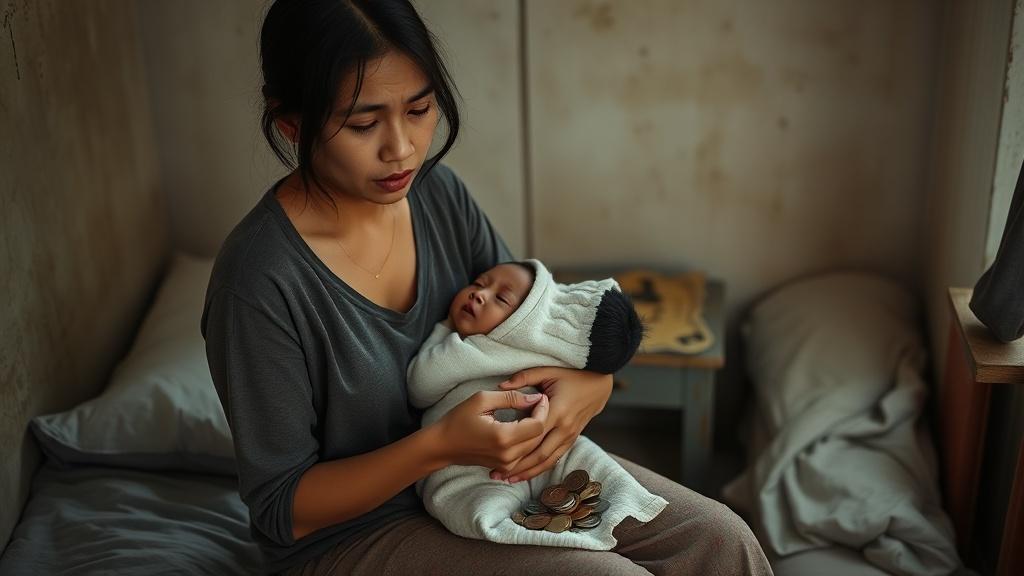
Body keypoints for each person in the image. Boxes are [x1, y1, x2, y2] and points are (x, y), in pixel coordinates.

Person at [201, 1, 774, 574]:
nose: (401, 147)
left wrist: (593, 382)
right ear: (292, 125)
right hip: (350, 535)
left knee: (721, 539)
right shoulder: (258, 281)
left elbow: (529, 320)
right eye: (362, 123)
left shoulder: (437, 194)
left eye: (420, 109)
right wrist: (439, 446)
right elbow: (282, 509)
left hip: (497, 476)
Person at [408, 259, 668, 549]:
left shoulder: (471, 349)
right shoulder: (536, 351)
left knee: (572, 452)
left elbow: (422, 381)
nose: (478, 294)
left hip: (535, 445)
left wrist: (445, 329)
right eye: (479, 283)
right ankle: (603, 512)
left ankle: (559, 523)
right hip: (471, 459)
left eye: (501, 298)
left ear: (523, 322)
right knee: (573, 460)